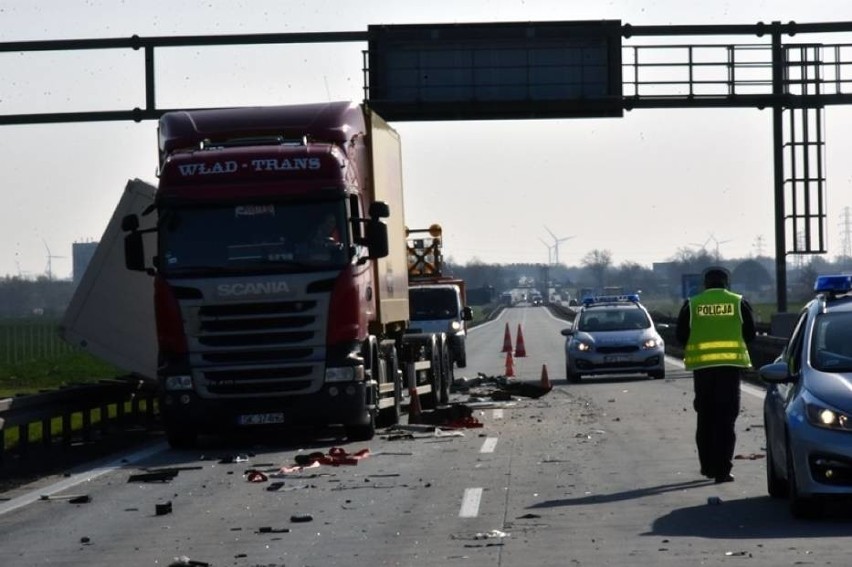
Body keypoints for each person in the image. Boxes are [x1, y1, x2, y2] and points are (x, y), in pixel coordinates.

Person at [676, 266, 756, 484]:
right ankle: (722, 471)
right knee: (726, 422)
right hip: (729, 370)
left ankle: (707, 467)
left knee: (705, 419)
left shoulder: (692, 304)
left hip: (703, 371)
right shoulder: (738, 302)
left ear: (705, 284)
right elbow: (751, 333)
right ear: (726, 283)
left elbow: (680, 335)